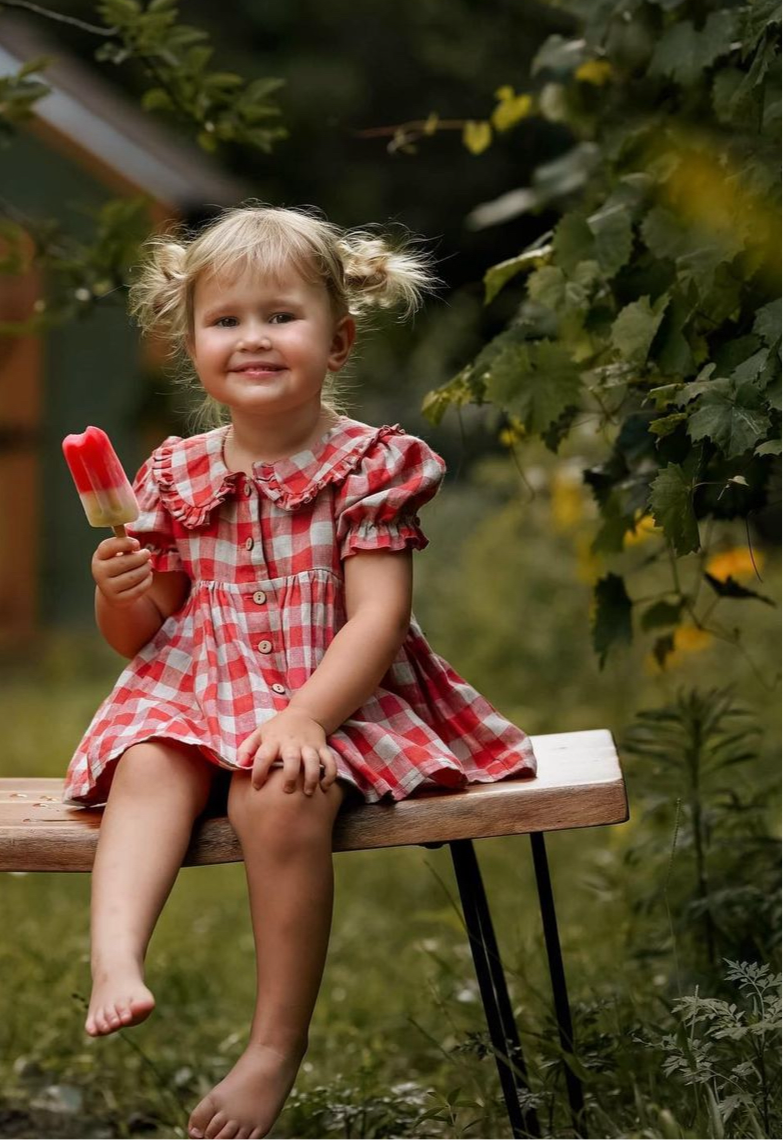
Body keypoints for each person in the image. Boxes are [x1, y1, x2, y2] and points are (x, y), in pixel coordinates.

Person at [63, 204, 536, 1140]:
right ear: (189, 342)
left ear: (337, 336)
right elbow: (143, 632)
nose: (253, 339)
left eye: (280, 315)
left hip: (340, 695)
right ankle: (114, 958)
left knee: (277, 790)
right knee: (150, 761)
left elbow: (377, 618)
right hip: (199, 688)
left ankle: (274, 1045)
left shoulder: (367, 466)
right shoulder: (170, 474)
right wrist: (119, 587)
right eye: (225, 320)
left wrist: (308, 717)